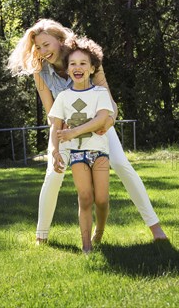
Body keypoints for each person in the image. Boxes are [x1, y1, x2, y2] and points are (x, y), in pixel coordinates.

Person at [7, 18, 167, 243]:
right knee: (53, 174)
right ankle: (41, 237)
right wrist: (57, 145)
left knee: (121, 164)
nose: (42, 51)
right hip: (65, 129)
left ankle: (156, 229)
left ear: (60, 41)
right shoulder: (40, 71)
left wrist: (108, 123)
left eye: (47, 45)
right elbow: (52, 113)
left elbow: (110, 104)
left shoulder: (87, 60)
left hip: (97, 125)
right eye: (38, 47)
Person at [49, 36, 114, 253]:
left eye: (83, 63)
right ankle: (86, 247)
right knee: (85, 197)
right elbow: (55, 126)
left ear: (93, 68)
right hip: (77, 154)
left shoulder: (100, 93)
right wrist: (55, 151)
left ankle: (100, 231)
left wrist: (74, 131)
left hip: (100, 153)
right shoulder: (63, 97)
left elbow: (101, 119)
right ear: (67, 70)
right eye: (73, 64)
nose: (78, 68)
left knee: (102, 199)